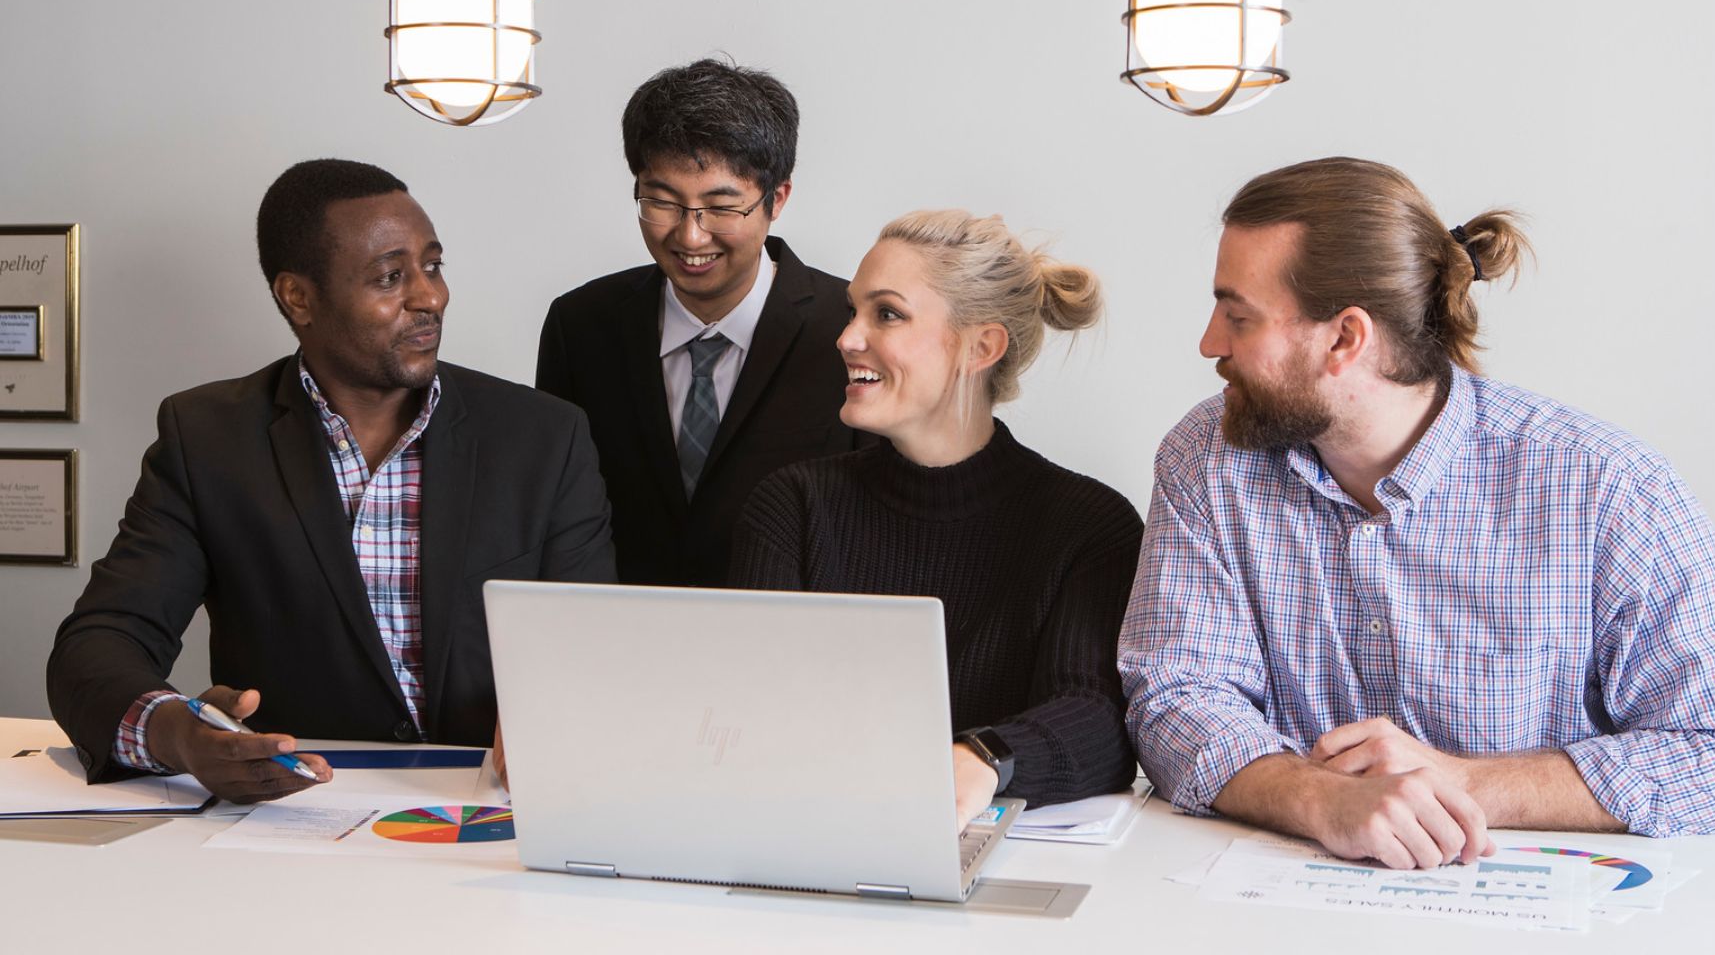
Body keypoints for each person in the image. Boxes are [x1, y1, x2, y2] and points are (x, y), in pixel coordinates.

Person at [1119, 157, 1715, 869]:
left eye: (1238, 316)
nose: (1210, 344)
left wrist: (1466, 783)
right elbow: (1176, 697)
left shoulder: (1603, 487)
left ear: (1346, 338)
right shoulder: (1206, 459)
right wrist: (1320, 800)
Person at [46, 159, 616, 802]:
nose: (430, 296)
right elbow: (99, 644)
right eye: (390, 276)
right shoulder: (207, 438)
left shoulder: (543, 436)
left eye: (433, 265)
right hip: (294, 819)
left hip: (498, 813)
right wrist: (178, 735)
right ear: (299, 297)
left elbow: (593, 645)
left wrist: (553, 711)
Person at [732, 210, 1142, 826]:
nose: (846, 338)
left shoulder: (1088, 525)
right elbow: (745, 708)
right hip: (803, 841)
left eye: (887, 314)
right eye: (853, 310)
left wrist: (982, 759)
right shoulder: (790, 506)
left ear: (982, 346)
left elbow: (1096, 719)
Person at [537, 58, 859, 587]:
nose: (690, 237)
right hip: (619, 644)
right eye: (662, 202)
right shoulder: (581, 326)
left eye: (720, 207)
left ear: (776, 198)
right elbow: (555, 514)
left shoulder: (848, 329)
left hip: (794, 647)